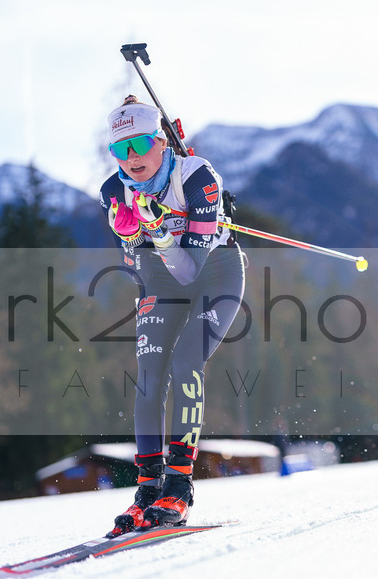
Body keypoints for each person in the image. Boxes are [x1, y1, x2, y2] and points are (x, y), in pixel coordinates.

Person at [98, 96, 245, 537]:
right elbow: (145, 271)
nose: (132, 159)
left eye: (140, 145)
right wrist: (130, 240)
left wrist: (159, 232)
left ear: (161, 142)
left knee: (185, 364)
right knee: (149, 377)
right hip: (161, 283)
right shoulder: (113, 192)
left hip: (214, 275)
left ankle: (178, 488)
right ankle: (147, 491)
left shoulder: (197, 178)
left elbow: (191, 270)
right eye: (121, 150)